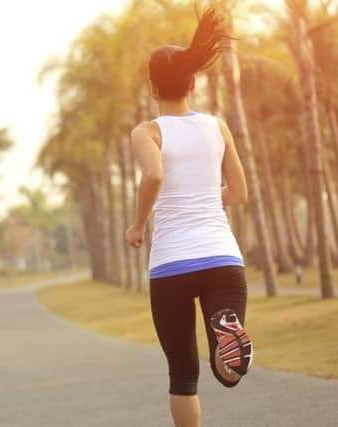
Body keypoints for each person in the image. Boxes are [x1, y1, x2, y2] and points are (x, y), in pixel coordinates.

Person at [125, 7, 253, 427]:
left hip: (172, 265)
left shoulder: (148, 132)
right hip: (223, 260)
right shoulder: (217, 126)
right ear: (193, 81)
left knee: (182, 376)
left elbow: (154, 175)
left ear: (152, 86)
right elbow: (239, 193)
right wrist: (202, 195)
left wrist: (139, 224)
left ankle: (222, 342)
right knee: (227, 373)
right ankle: (225, 336)